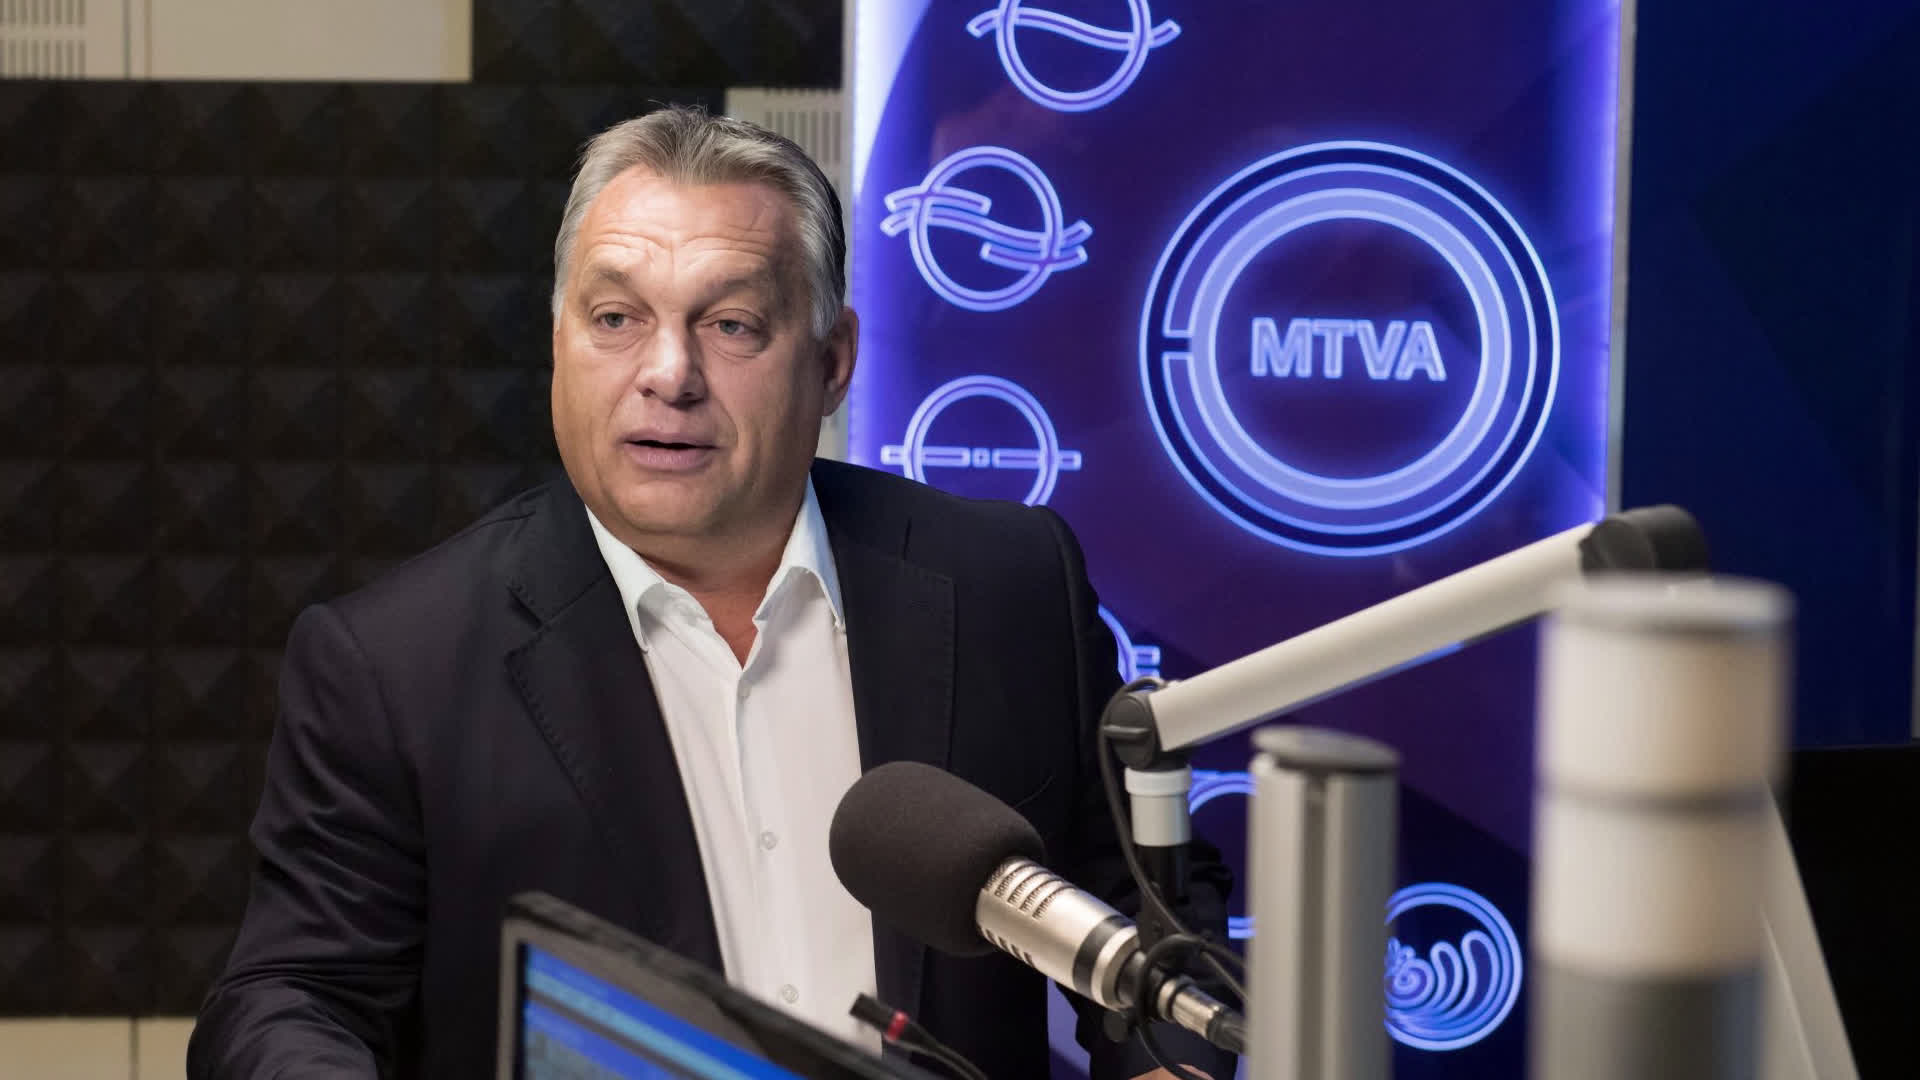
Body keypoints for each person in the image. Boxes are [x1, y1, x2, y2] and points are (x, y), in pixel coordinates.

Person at [187, 105, 1232, 1080]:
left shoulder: (1009, 585)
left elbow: (1155, 913)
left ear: (832, 361)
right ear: (557, 343)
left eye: (731, 325)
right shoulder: (394, 665)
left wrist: (1167, 1064)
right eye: (615, 318)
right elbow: (291, 996)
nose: (668, 373)